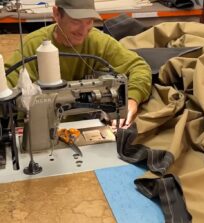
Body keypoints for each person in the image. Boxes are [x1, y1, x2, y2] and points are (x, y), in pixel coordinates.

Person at [5, 0, 152, 129]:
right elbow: (6, 87)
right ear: (56, 14)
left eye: (89, 21)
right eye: (75, 21)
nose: (83, 31)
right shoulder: (33, 46)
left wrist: (133, 99)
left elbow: (139, 66)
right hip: (41, 129)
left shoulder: (98, 42)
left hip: (89, 124)